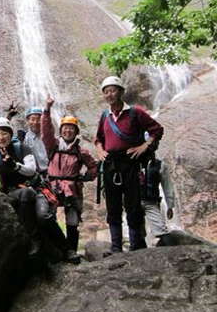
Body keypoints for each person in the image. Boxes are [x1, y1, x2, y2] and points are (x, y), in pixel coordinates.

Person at [0, 117, 80, 263]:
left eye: (4, 133)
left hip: (36, 188)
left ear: (10, 134)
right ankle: (34, 240)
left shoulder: (22, 148)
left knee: (43, 216)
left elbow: (31, 170)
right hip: (13, 193)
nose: (1, 137)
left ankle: (67, 250)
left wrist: (14, 165)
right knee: (25, 194)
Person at [95, 76, 164, 253]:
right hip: (111, 165)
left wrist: (145, 146)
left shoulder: (135, 113)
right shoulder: (105, 115)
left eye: (113, 90)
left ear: (121, 92)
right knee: (113, 206)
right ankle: (116, 246)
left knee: (133, 205)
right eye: (106, 91)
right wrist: (99, 150)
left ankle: (135, 246)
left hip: (131, 165)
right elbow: (98, 139)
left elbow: (157, 130)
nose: (110, 94)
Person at [41, 96, 97, 253]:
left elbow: (93, 167)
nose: (68, 130)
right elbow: (46, 131)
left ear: (76, 132)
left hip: (72, 189)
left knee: (72, 221)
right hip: (53, 187)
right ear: (61, 130)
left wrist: (85, 177)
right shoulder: (53, 146)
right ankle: (54, 249)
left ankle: (71, 250)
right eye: (65, 127)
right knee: (48, 217)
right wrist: (47, 109)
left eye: (71, 128)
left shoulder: (81, 152)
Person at [141, 155, 175, 246]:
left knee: (161, 230)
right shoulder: (131, 163)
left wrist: (170, 206)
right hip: (134, 202)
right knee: (136, 233)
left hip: (151, 202)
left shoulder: (160, 165)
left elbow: (167, 186)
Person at [22, 107, 49, 174]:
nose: (36, 122)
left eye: (39, 119)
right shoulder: (25, 138)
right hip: (35, 173)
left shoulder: (48, 136)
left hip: (51, 171)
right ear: (28, 121)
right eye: (32, 119)